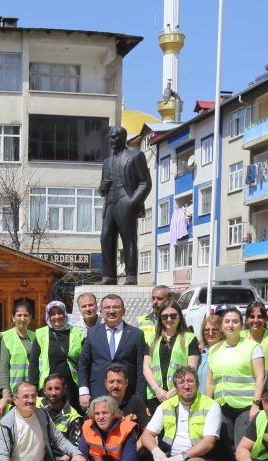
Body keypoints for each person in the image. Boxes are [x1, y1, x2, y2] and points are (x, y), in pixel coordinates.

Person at [208, 306, 266, 461]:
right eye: (226, 321)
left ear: (242, 325)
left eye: (235, 321)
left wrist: (256, 404)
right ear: (221, 325)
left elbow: (260, 377)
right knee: (228, 451)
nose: (230, 325)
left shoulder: (252, 347)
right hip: (222, 407)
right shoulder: (214, 349)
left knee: (242, 450)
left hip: (244, 407)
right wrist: (207, 406)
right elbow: (210, 382)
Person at [143, 365, 220, 461]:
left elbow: (209, 443)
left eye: (190, 381)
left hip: (197, 458)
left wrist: (182, 457)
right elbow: (147, 435)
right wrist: (156, 452)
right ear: (176, 387)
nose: (186, 386)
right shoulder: (166, 406)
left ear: (197, 383)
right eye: (181, 382)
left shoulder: (211, 405)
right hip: (171, 458)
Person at [97, 126, 152, 286]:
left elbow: (145, 182)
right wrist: (102, 188)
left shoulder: (135, 156)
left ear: (123, 138)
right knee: (106, 238)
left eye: (114, 137)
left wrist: (133, 201)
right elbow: (102, 187)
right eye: (109, 138)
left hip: (125, 200)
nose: (111, 140)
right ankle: (109, 275)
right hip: (109, 203)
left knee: (128, 238)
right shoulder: (107, 162)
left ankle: (131, 275)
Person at [78, 294, 146, 406]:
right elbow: (83, 363)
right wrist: (83, 391)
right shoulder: (92, 333)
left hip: (127, 395)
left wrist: (140, 398)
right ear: (101, 311)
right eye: (107, 308)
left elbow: (140, 370)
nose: (111, 311)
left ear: (124, 311)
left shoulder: (136, 334)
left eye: (116, 307)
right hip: (98, 392)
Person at [141, 300, 199, 411]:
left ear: (180, 317)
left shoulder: (189, 338)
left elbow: (191, 369)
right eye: (164, 317)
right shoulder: (152, 339)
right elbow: (146, 367)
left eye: (173, 316)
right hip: (155, 395)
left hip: (179, 394)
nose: (169, 319)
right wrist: (157, 390)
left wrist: (172, 392)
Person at [35, 300, 84, 408]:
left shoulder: (77, 333)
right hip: (48, 388)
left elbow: (83, 362)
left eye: (60, 312)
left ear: (65, 314)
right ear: (48, 316)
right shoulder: (40, 334)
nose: (57, 316)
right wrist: (33, 388)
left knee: (71, 418)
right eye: (52, 314)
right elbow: (33, 364)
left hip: (71, 387)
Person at [0, 298, 39, 406]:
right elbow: (4, 366)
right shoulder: (5, 337)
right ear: (13, 317)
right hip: (15, 392)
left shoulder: (36, 336)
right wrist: (6, 392)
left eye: (26, 315)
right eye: (19, 315)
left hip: (32, 389)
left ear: (30, 318)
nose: (22, 318)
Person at [40, 373, 83, 447]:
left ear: (65, 389)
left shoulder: (73, 417)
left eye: (57, 388)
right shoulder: (35, 404)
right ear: (44, 391)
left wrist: (62, 459)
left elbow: (75, 447)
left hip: (60, 456)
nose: (53, 393)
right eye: (49, 389)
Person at [198, 313, 223, 392]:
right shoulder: (199, 354)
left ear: (222, 332)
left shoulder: (226, 353)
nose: (210, 333)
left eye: (215, 330)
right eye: (207, 330)